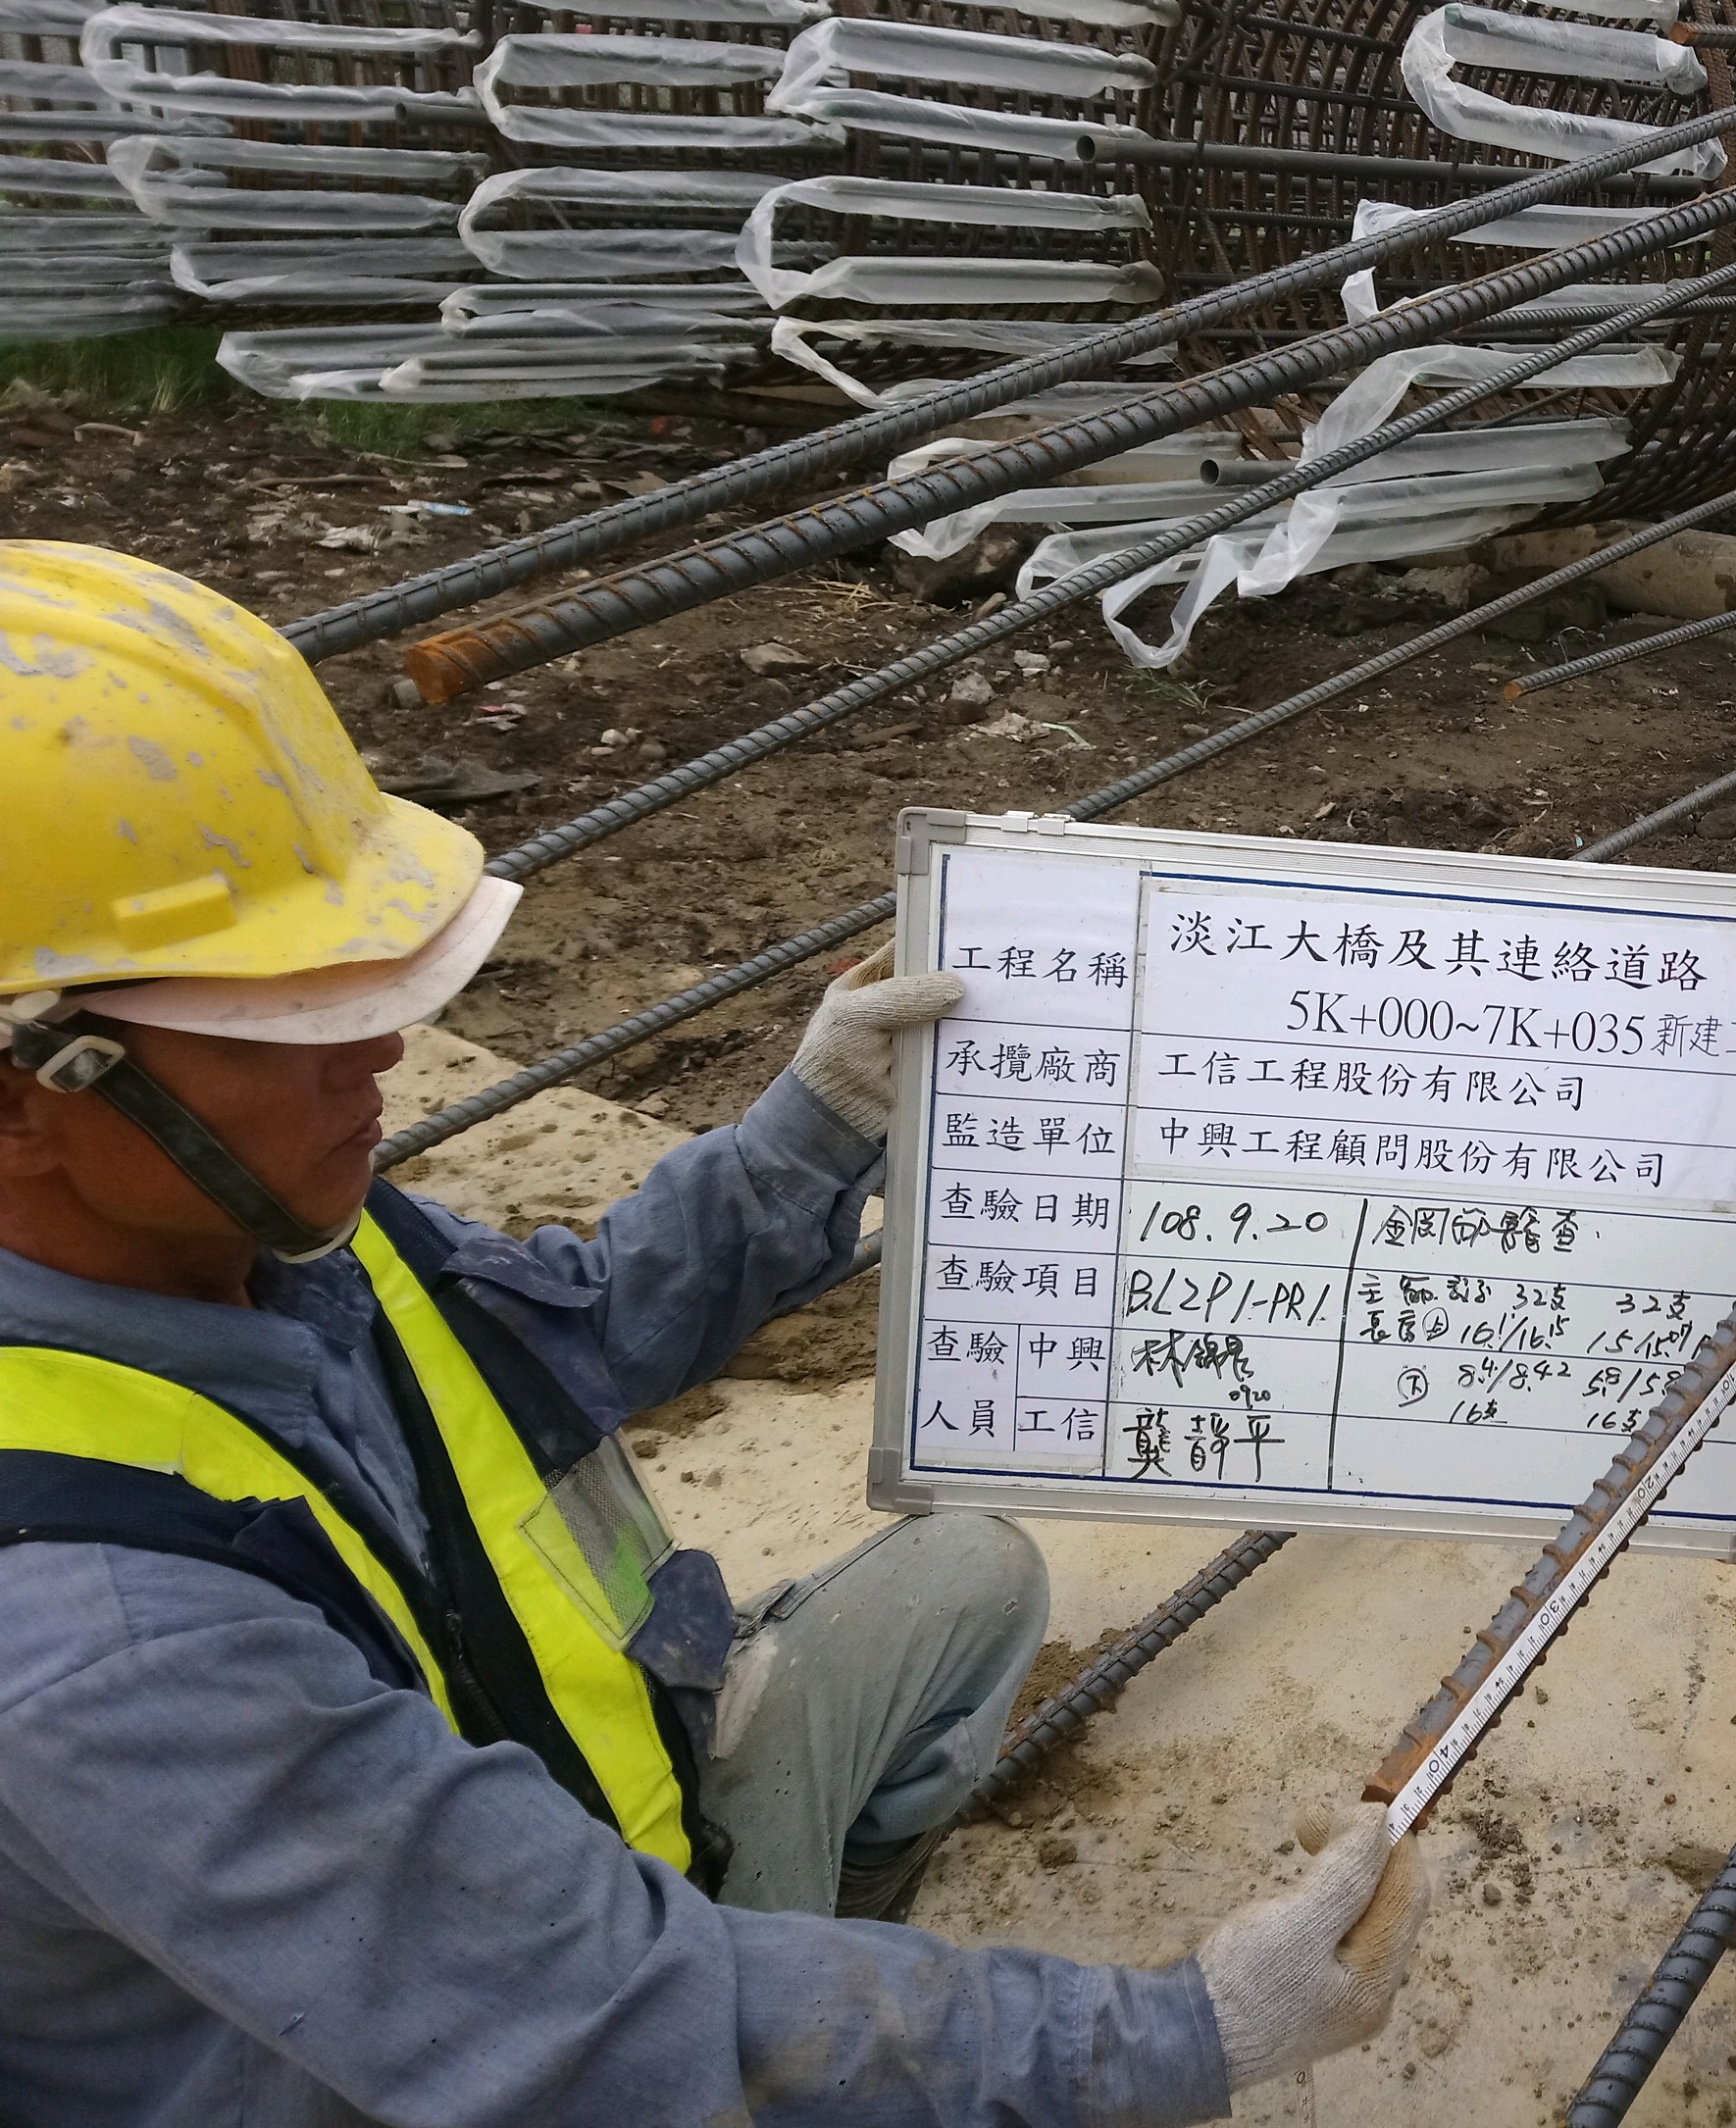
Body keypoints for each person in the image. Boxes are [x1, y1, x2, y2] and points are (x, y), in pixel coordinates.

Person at [0, 541, 1424, 2124]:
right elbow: (594, 2015)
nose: (386, 1040)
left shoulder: (244, 1225)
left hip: (596, 1823)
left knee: (962, 1579)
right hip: (427, 2044)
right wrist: (1186, 2036)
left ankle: (812, 1979)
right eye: (301, 1015)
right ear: (28, 1093)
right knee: (718, 2041)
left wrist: (811, 1133)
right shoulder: (104, 1643)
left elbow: (563, 1338)